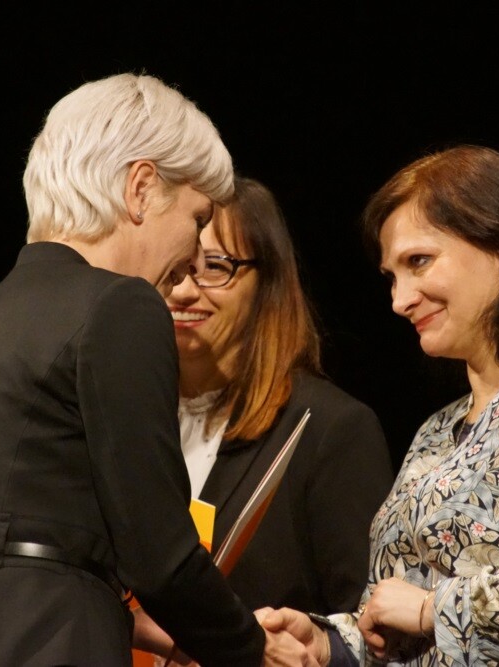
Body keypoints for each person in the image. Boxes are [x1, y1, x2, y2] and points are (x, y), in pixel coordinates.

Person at [0, 73, 314, 667]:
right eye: (196, 220)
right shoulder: (121, 305)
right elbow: (159, 553)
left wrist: (140, 625)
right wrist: (251, 647)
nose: (192, 261)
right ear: (141, 189)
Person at [261, 144, 499, 665]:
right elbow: (392, 621)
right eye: (392, 276)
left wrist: (435, 609)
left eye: (419, 262)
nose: (400, 300)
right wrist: (325, 644)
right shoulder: (437, 430)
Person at [165, 176, 393, 613]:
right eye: (176, 267)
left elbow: (368, 622)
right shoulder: (124, 421)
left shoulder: (331, 430)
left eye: (215, 267)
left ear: (266, 283)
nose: (185, 290)